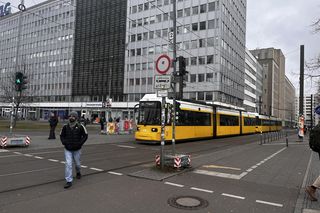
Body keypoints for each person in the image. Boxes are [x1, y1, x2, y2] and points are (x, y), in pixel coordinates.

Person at [60, 111, 88, 189]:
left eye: (73, 116)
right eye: (70, 116)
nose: (71, 117)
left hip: (77, 149)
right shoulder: (65, 126)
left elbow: (85, 136)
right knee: (68, 164)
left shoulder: (80, 126)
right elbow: (61, 135)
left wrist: (80, 143)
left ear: (76, 118)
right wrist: (64, 142)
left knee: (77, 164)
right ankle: (69, 180)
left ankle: (78, 172)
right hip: (67, 149)